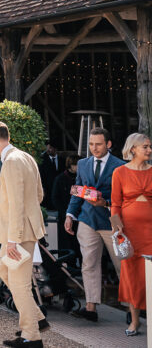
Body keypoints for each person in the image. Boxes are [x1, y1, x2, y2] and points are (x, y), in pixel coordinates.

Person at [0, 121, 46, 347]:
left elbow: (19, 203)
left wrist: (13, 239)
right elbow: (39, 195)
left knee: (19, 285)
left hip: (17, 235)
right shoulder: (26, 156)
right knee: (3, 269)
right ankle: (37, 318)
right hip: (22, 230)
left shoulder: (11, 161)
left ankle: (32, 336)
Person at [65, 126, 123, 322]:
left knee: (122, 265)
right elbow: (78, 191)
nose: (94, 148)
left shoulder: (120, 166)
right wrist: (70, 215)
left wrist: (105, 202)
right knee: (89, 263)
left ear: (108, 144)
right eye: (91, 144)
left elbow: (125, 197)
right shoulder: (82, 164)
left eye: (98, 144)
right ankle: (91, 308)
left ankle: (133, 308)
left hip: (112, 221)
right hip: (87, 220)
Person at [111, 132, 152, 337]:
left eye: (149, 146)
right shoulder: (119, 172)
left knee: (150, 278)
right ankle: (135, 322)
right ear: (133, 149)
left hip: (151, 234)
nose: (149, 150)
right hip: (130, 234)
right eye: (145, 146)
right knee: (133, 278)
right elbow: (115, 204)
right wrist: (117, 228)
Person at [51, 155, 78, 257]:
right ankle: (70, 265)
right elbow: (55, 198)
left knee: (78, 243)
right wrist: (65, 212)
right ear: (71, 165)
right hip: (64, 215)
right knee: (67, 244)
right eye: (76, 165)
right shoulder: (60, 179)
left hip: (78, 216)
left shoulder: (79, 178)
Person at [39, 142, 61, 208]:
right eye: (47, 148)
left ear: (55, 149)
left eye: (50, 148)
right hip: (48, 189)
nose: (48, 150)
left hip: (59, 190)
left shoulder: (62, 160)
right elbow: (41, 176)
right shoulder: (42, 161)